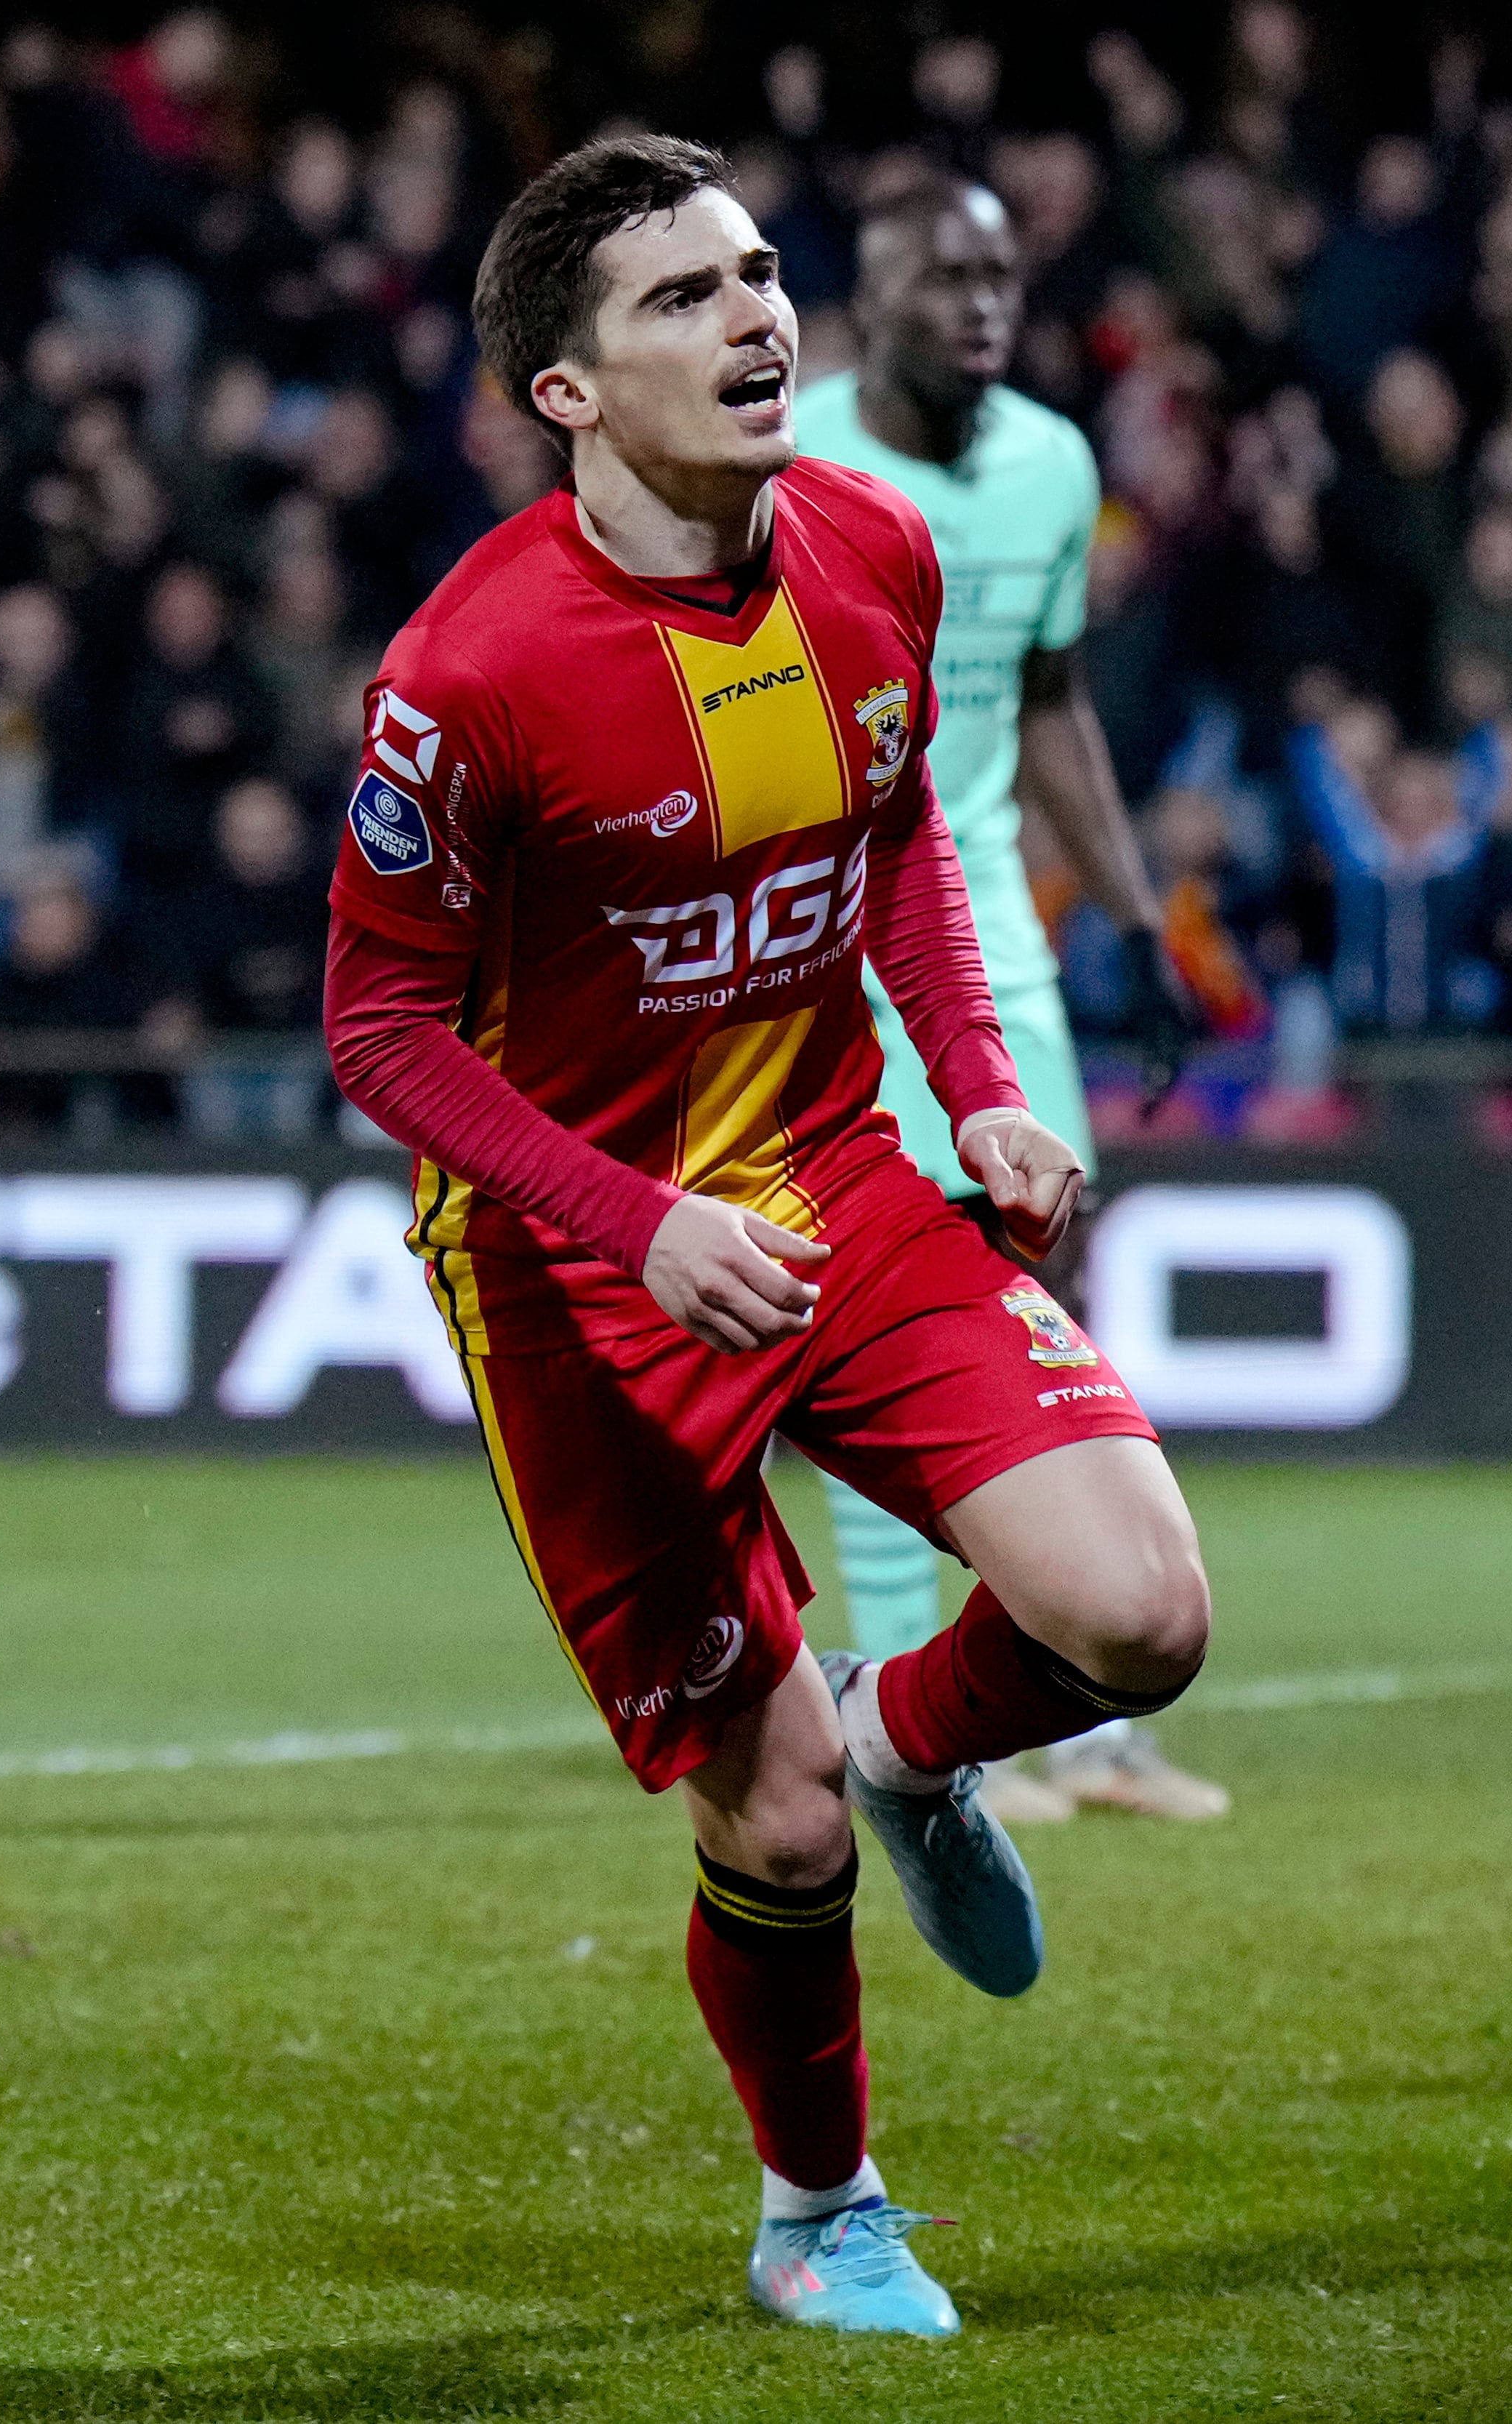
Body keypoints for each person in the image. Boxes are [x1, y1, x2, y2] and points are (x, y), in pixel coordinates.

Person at [322, 135, 1211, 2340]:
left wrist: (980, 1080)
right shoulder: (470, 674)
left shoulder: (872, 546)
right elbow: (376, 1026)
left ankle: (923, 1734)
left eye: (759, 274)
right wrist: (637, 1217)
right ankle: (822, 2206)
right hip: (579, 1279)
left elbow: (900, 832)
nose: (754, 321)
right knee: (775, 1820)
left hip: (837, 1170)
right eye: (681, 300)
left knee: (1143, 1613)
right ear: (562, 391)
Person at [788, 175, 1224, 1826]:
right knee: (880, 1307)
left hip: (992, 939)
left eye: (998, 274)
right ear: (871, 286)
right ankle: (917, 1714)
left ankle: (1082, 1722)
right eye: (938, 272)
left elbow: (1046, 697)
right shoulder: (796, 453)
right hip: (832, 941)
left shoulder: (1052, 462)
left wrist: (1134, 915)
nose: (975, 301)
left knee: (1051, 1282)